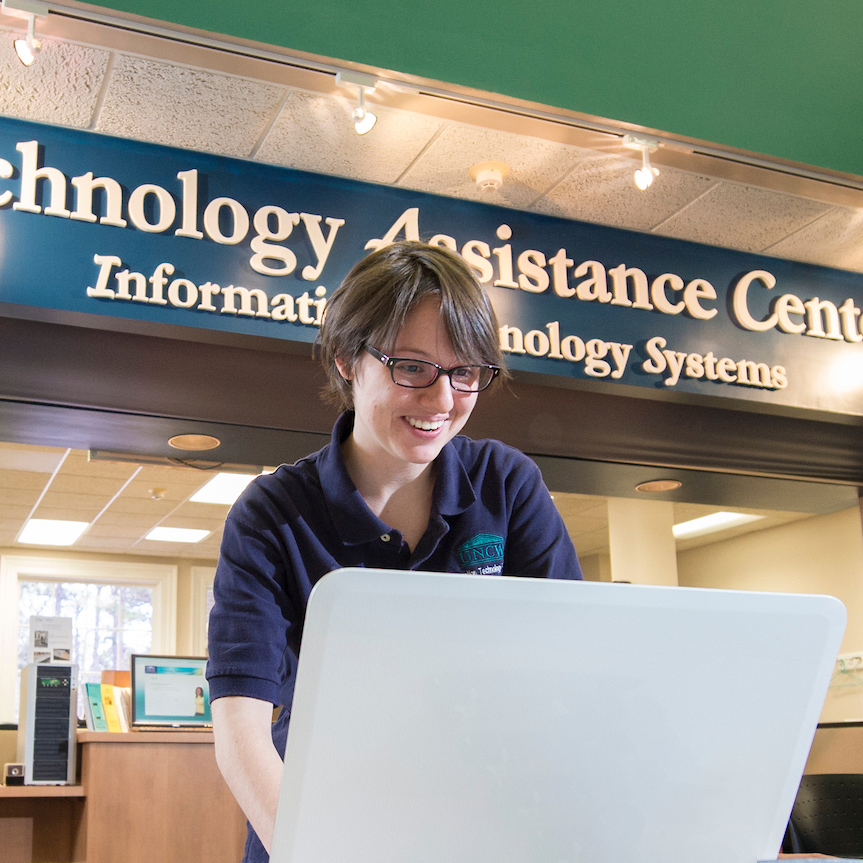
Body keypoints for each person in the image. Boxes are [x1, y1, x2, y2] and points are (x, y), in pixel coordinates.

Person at [206, 240, 582, 862]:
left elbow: (569, 671)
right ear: (348, 360)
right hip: (313, 827)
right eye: (411, 367)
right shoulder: (273, 514)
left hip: (477, 828)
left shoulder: (506, 486)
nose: (441, 402)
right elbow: (240, 730)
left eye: (465, 374)